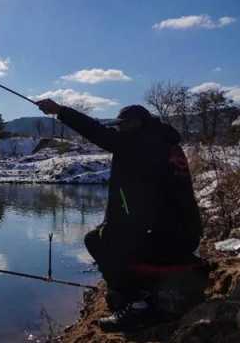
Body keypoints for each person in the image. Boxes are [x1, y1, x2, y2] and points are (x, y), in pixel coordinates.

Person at [35, 99, 202, 330]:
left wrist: (60, 111)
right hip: (181, 234)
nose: (118, 130)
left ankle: (138, 306)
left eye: (122, 126)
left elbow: (97, 133)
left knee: (98, 241)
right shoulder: (162, 142)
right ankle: (134, 293)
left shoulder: (143, 143)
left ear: (136, 124)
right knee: (104, 237)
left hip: (170, 238)